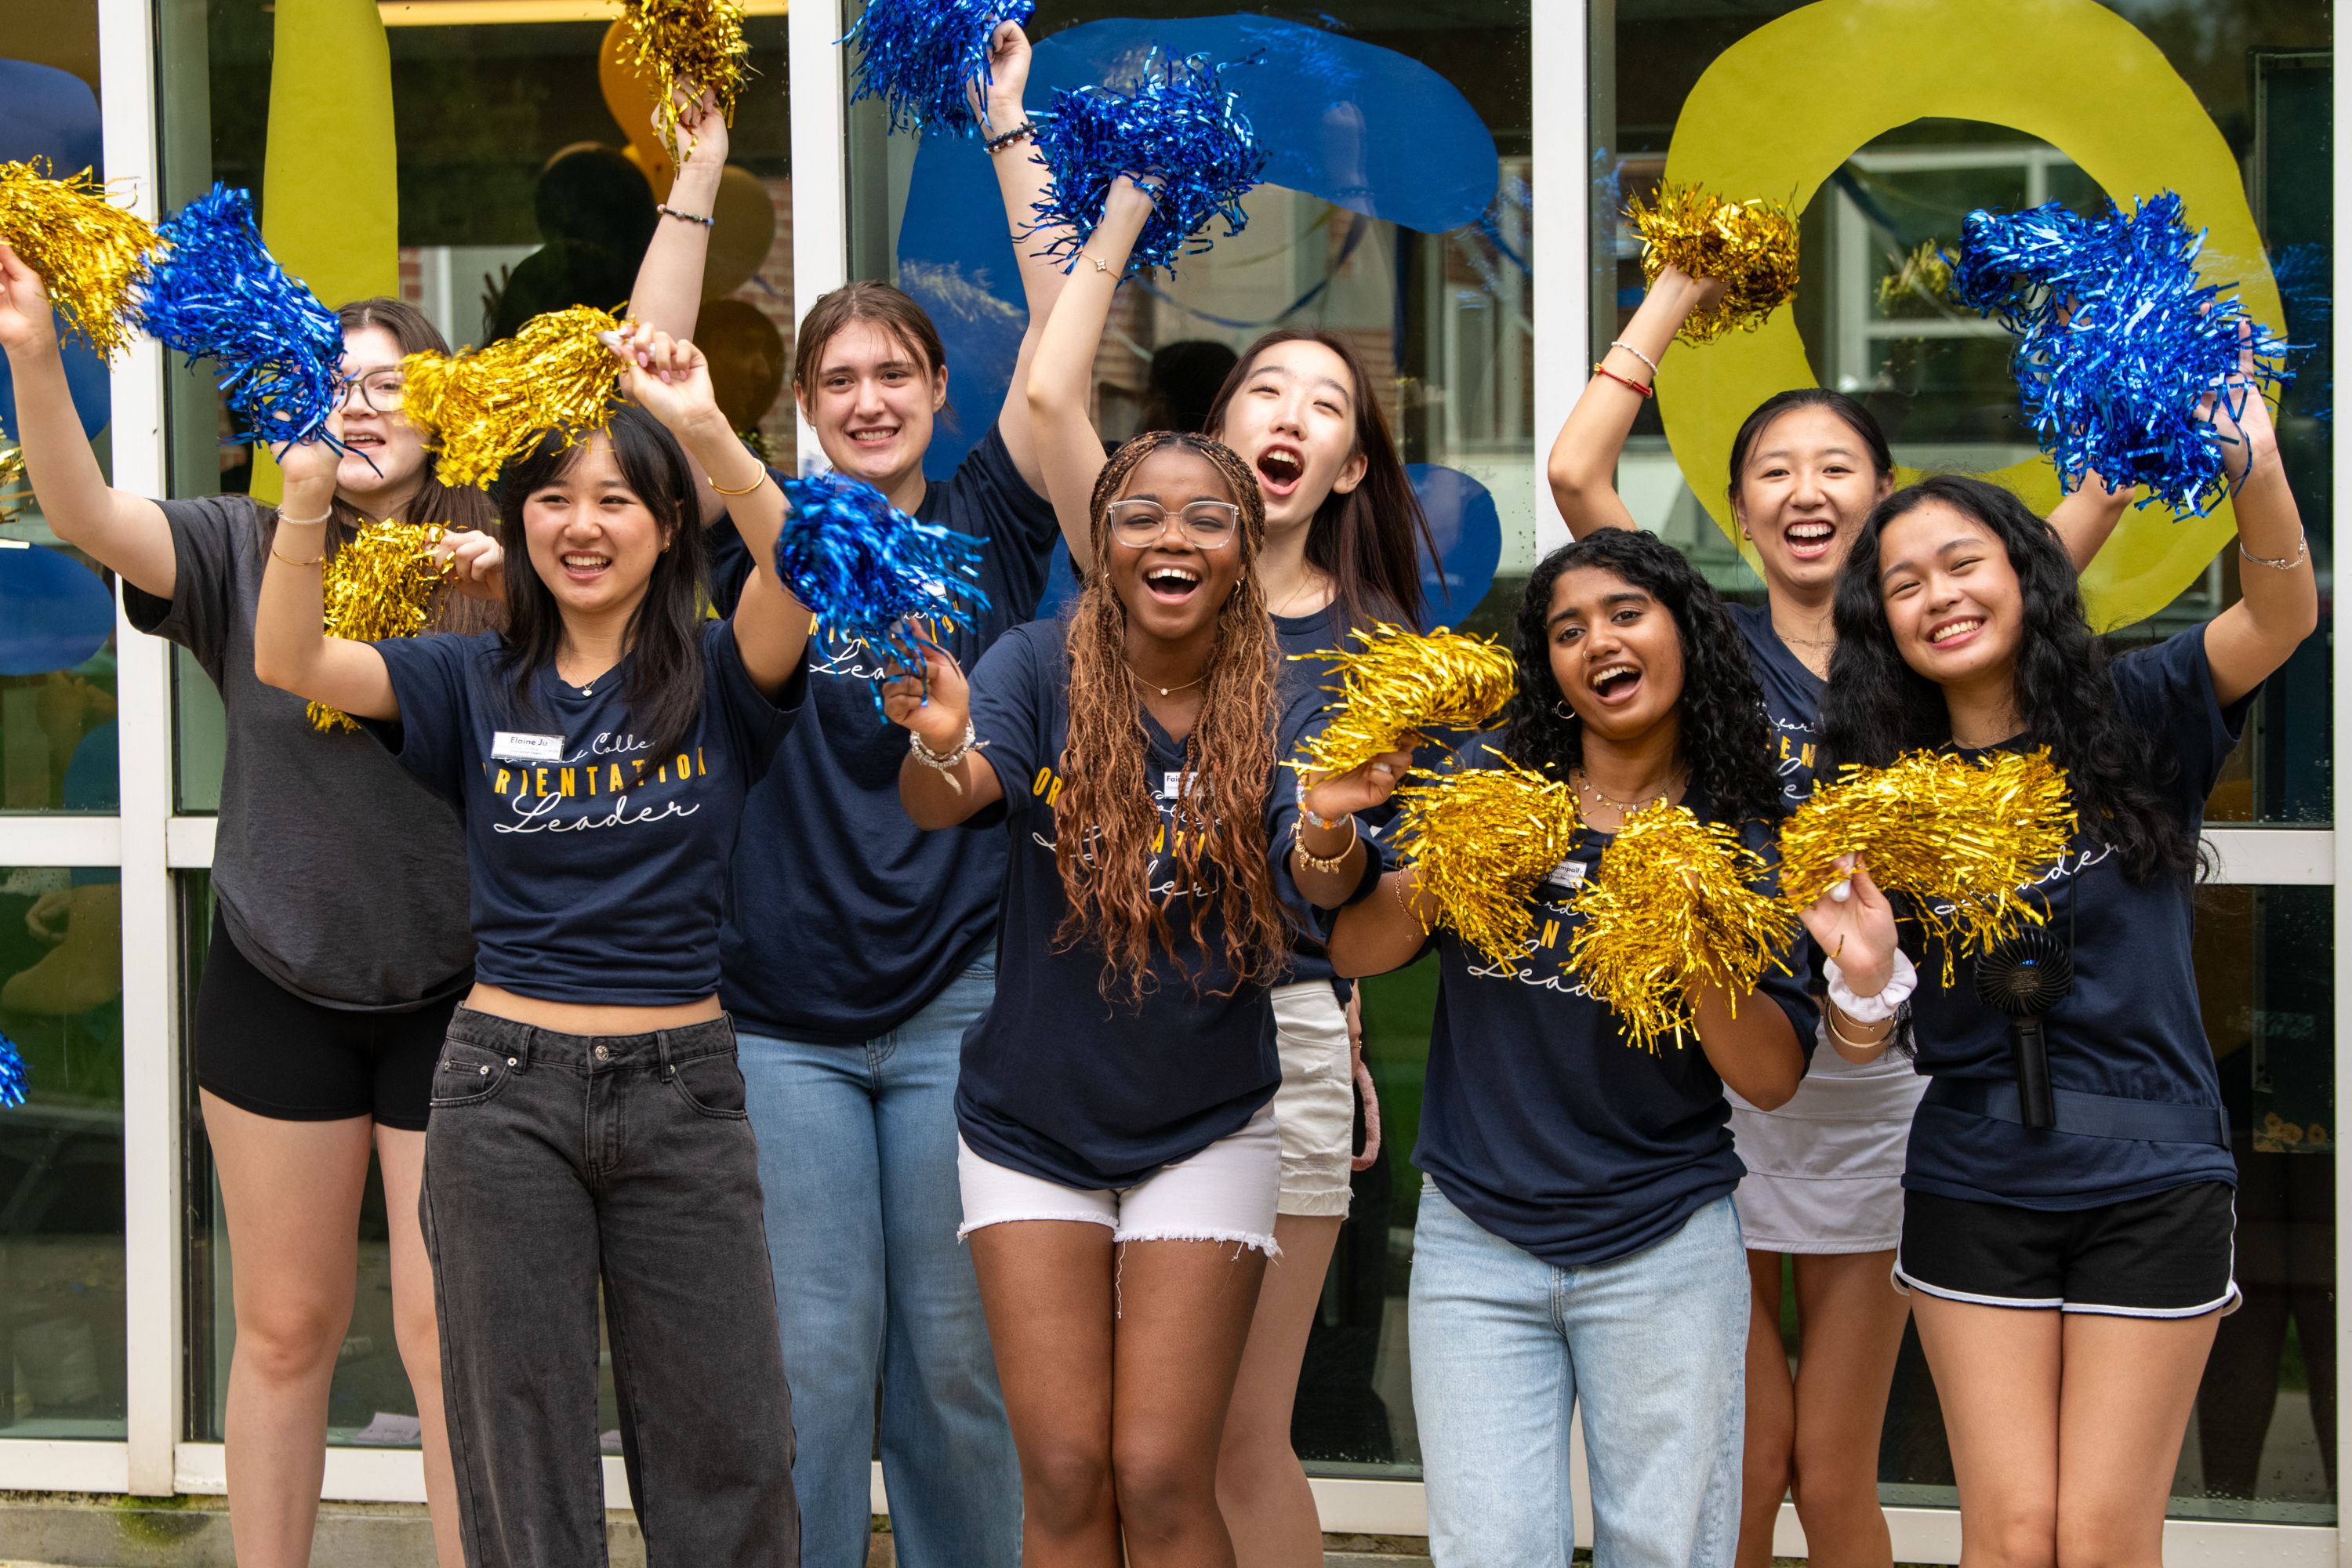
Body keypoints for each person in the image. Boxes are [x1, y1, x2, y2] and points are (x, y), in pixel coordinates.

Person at [1545, 261, 2132, 1568]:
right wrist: (1679, 292)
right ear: (1738, 508)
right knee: (1744, 1465)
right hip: (1721, 1087)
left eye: (1838, 469)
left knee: (1829, 1470)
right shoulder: (1703, 644)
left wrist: (2123, 344)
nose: (1807, 492)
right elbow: (1582, 476)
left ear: (1884, 500)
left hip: (1882, 1100)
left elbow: (2090, 497)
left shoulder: (1933, 656)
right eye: (1773, 471)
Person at [621, 37, 1083, 1568]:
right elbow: (649, 384)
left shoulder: (998, 524)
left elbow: (1065, 340)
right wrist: (696, 170)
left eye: (896, 372)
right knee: (813, 1364)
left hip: (964, 999)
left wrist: (1008, 120)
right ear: (807, 408)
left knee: (955, 1372)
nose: (871, 397)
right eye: (841, 380)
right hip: (787, 1021)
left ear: (941, 390)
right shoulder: (769, 569)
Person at [250, 327, 812, 1566]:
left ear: (669, 523)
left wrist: (706, 426)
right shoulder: (466, 679)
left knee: (728, 1443)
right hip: (504, 1094)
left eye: (617, 498)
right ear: (520, 524)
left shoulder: (722, 675)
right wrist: (300, 499)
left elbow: (809, 564)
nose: (583, 524)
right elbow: (291, 659)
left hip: (685, 1092)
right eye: (553, 499)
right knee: (520, 1449)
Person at [0, 247, 503, 1567]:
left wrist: (508, 577)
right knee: (286, 1328)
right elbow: (93, 517)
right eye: (338, 382)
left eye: (394, 382)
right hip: (279, 980)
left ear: (440, 409)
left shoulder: (494, 556)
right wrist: (38, 356)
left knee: (447, 1336)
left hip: (459, 990)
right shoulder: (238, 542)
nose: (365, 403)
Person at [1802, 381, 2314, 1568]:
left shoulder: (2137, 713)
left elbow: (2281, 618)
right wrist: (1869, 979)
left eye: (1963, 563)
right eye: (1906, 584)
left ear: (2026, 573)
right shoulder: (1883, 788)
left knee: (2100, 1537)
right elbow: (1865, 1044)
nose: (1940, 597)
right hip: (1975, 1176)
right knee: (2013, 1532)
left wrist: (2253, 463)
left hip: (2154, 1171)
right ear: (1883, 624)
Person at [880, 419, 1391, 1568]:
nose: (1175, 536)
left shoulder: (1288, 690)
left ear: (1243, 548)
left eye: (1208, 518)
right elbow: (947, 798)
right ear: (1102, 544)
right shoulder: (1036, 660)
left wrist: (1322, 829)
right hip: (1028, 1122)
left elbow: (1325, 882)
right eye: (1141, 515)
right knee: (1063, 1472)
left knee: (1162, 1472)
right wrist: (936, 744)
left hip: (1206, 1121)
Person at [1035, 174, 1435, 1567]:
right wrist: (1112, 199)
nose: (1292, 415)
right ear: (1220, 434)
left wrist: (1344, 1011)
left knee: (1226, 1442)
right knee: (1113, 1451)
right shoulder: (1137, 574)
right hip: (1095, 1038)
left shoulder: (1383, 657)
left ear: (1350, 469)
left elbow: (1368, 891)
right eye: (1269, 388)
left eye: (1328, 406)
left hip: (1278, 1039)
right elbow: (1042, 403)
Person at [1314, 527, 1817, 1568]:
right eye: (1566, 630)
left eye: (1626, 614)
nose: (1598, 644)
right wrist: (1424, 854)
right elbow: (1359, 946)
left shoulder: (1749, 834)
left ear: (1685, 631)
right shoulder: (1491, 784)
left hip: (1665, 1243)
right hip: (1475, 1239)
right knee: (1492, 1549)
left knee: (1666, 1551)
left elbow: (1770, 1077)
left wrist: (1689, 928)